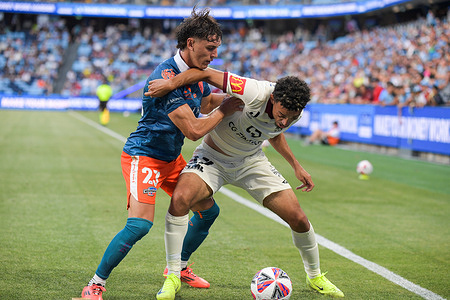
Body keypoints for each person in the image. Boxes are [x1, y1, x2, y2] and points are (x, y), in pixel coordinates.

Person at [80, 8, 243, 300]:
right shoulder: (165, 77)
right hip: (144, 156)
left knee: (208, 212)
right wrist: (225, 109)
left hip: (171, 159)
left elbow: (205, 102)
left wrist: (241, 98)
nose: (214, 55)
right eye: (210, 48)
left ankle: (178, 268)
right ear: (190, 43)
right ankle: (95, 283)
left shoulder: (192, 75)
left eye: (217, 48)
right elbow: (194, 129)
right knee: (140, 225)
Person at [147, 67, 344, 299]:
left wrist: (295, 165)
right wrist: (171, 84)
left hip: (251, 162)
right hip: (212, 158)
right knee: (180, 200)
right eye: (282, 113)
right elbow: (207, 73)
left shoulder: (292, 111)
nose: (285, 120)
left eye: (291, 117)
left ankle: (315, 277)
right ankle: (173, 276)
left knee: (299, 218)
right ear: (273, 98)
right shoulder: (254, 90)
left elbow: (273, 131)